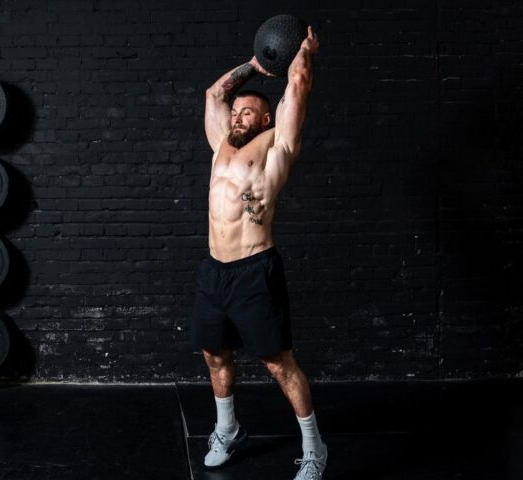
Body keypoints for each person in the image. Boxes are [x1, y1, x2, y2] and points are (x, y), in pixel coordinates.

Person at [193, 27, 326, 479]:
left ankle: (314, 449)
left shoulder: (276, 149)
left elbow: (297, 88)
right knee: (215, 354)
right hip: (214, 272)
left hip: (254, 270)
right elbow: (214, 93)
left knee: (277, 363)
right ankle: (227, 431)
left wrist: (302, 52)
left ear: (266, 121)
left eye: (249, 111)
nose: (239, 114)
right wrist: (257, 65)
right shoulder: (219, 149)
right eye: (238, 110)